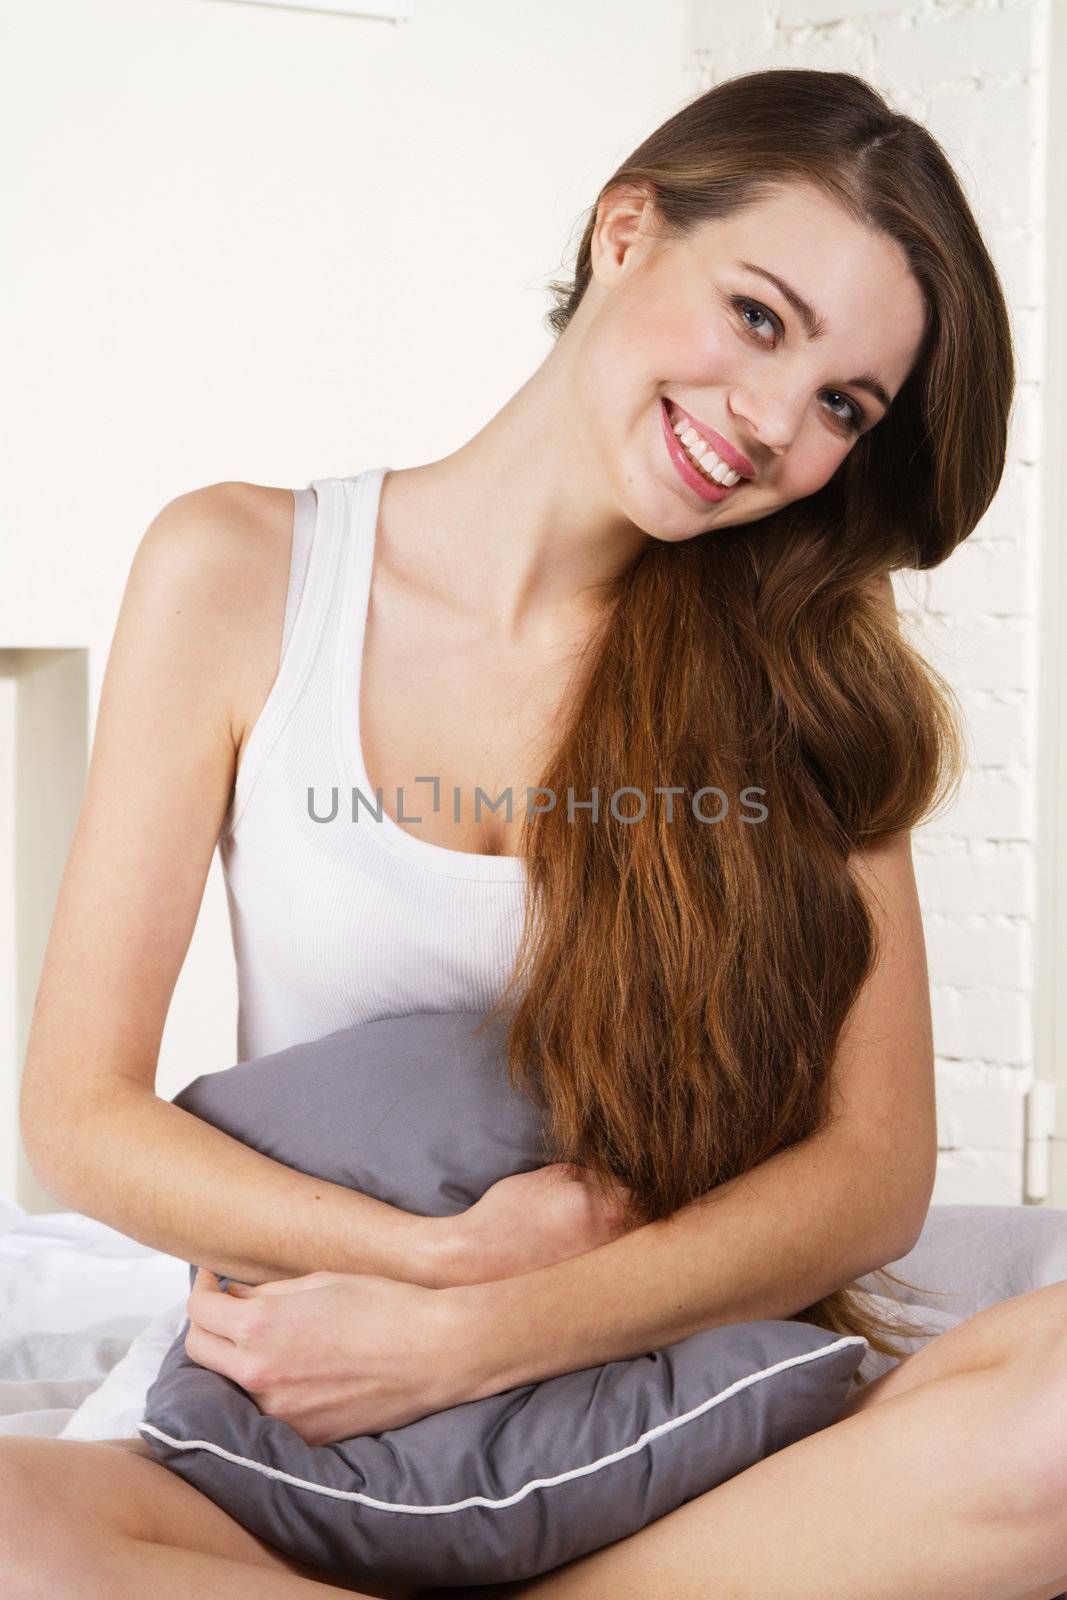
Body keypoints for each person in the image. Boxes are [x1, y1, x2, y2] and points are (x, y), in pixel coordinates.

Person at [6, 64, 1067, 1600]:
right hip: (330, 1420)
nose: (772, 424)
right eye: (761, 318)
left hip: (680, 1425)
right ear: (625, 230)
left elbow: (872, 1168)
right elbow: (77, 1113)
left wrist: (494, 1327)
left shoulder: (803, 663)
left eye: (844, 405)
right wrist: (423, 1272)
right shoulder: (238, 573)